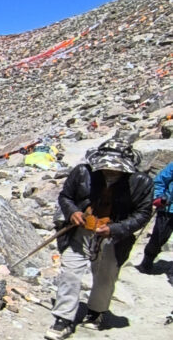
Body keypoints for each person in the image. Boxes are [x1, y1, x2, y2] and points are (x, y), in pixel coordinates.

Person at [44, 139, 152, 340]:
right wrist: (73, 212)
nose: (110, 172)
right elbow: (65, 196)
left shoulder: (141, 182)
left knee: (106, 275)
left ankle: (96, 311)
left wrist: (114, 228)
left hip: (113, 237)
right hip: (80, 232)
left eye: (116, 169)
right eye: (106, 168)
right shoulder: (82, 172)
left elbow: (143, 214)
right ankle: (63, 319)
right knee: (70, 273)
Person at [135, 161, 173, 273]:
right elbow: (160, 181)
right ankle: (147, 261)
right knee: (159, 237)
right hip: (168, 208)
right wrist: (159, 196)